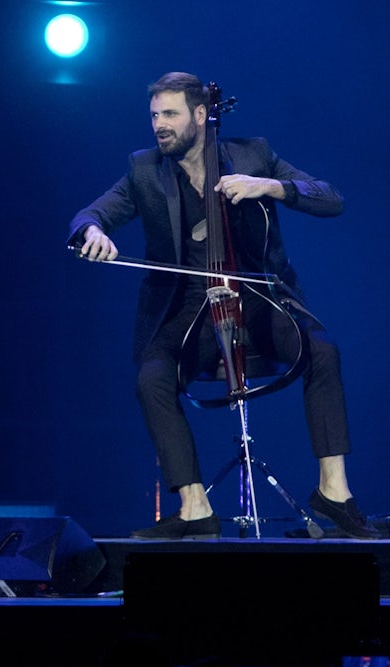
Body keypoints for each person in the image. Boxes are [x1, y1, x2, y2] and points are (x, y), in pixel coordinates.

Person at [67, 71, 379, 540]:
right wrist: (92, 232)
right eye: (154, 116)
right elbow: (91, 214)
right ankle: (195, 508)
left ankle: (333, 493)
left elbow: (330, 198)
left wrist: (268, 187)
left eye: (169, 114)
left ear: (199, 115)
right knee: (151, 379)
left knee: (323, 353)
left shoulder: (254, 154)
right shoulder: (145, 170)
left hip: (256, 294)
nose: (159, 125)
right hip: (185, 303)